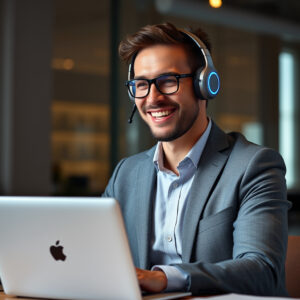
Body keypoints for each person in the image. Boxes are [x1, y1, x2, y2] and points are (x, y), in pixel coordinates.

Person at [102, 22, 291, 296]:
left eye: (168, 81)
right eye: (141, 84)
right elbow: (95, 255)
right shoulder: (126, 173)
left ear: (205, 84)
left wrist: (164, 278)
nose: (153, 98)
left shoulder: (255, 166)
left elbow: (261, 270)